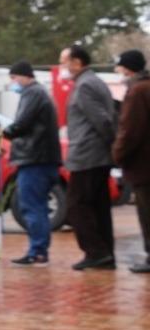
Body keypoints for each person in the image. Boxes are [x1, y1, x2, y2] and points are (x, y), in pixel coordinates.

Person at [58, 46, 118, 270]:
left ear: (77, 62)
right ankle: (105, 253)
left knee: (76, 206)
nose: (62, 66)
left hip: (88, 156)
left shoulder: (84, 86)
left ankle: (96, 251)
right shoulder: (93, 82)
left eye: (64, 61)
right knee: (98, 206)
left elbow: (102, 121)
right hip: (96, 155)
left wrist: (111, 145)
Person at [2, 60, 62, 265]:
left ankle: (37, 251)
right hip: (43, 158)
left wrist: (5, 133)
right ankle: (39, 250)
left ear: (25, 76)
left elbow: (22, 123)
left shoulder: (32, 93)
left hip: (35, 159)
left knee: (32, 206)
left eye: (14, 78)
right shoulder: (40, 93)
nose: (12, 83)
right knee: (38, 207)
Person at [112, 50, 150, 273]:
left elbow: (130, 130)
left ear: (127, 68)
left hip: (143, 165)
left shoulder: (137, 92)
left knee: (146, 212)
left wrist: (117, 154)